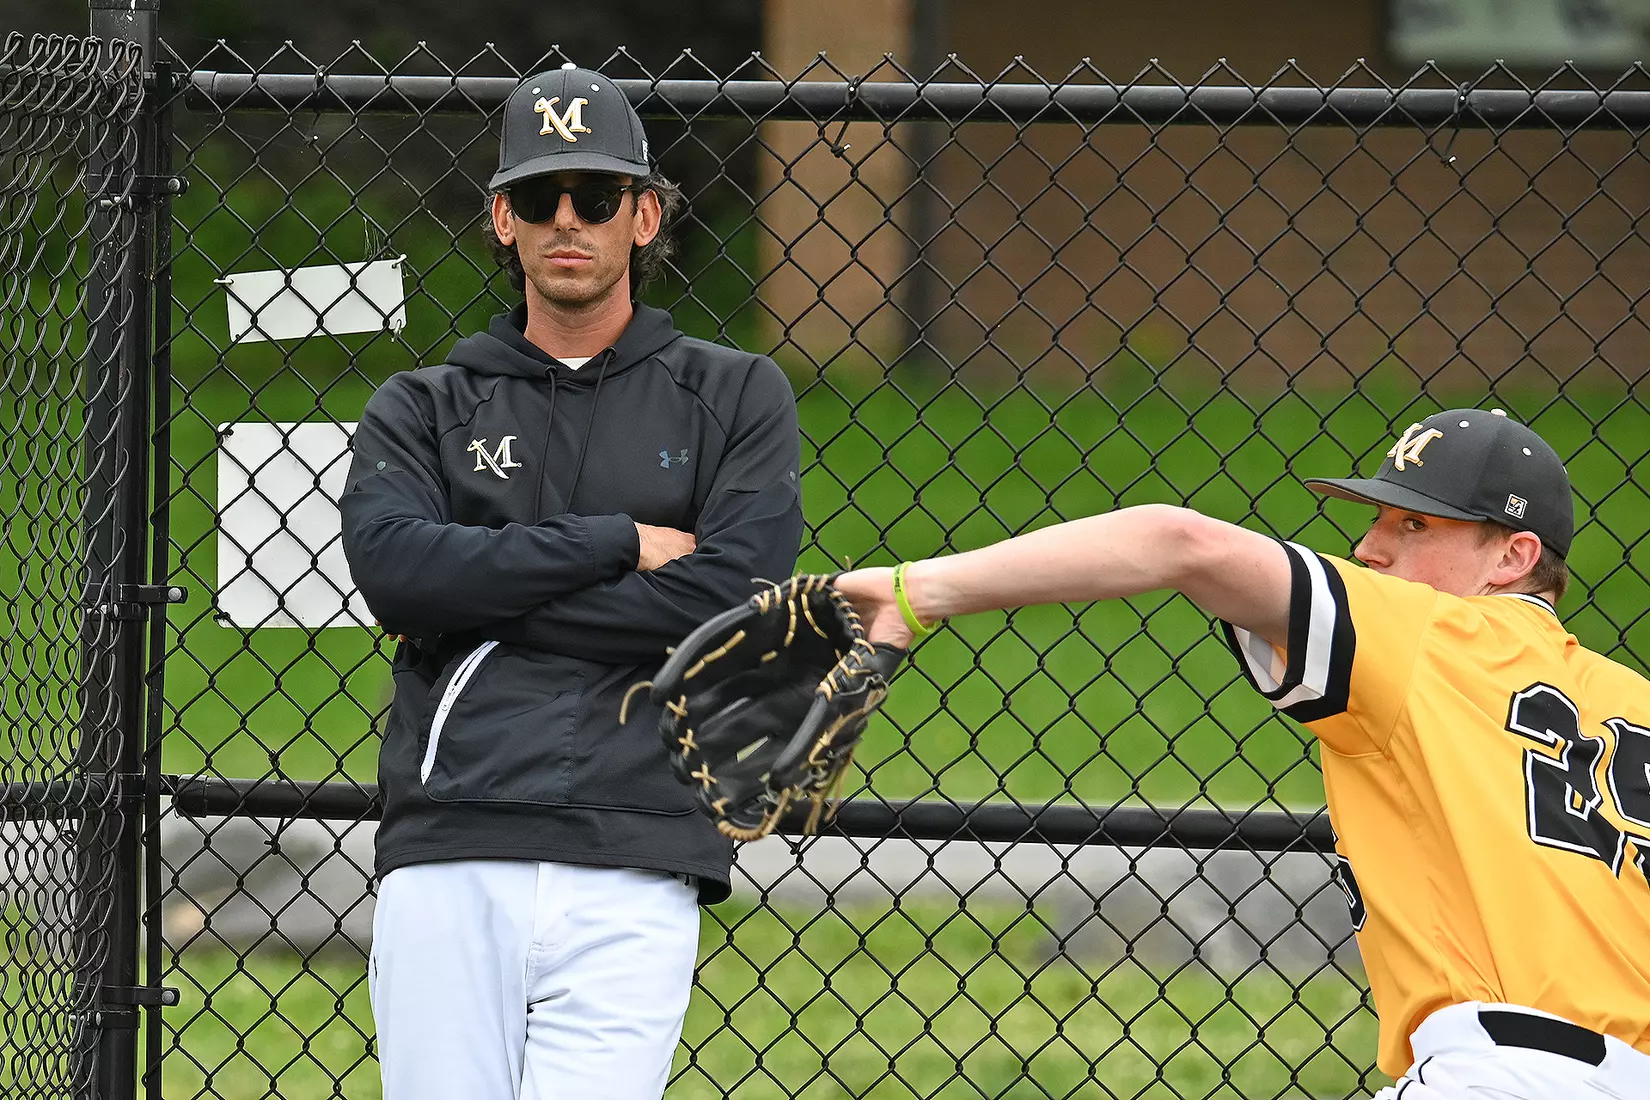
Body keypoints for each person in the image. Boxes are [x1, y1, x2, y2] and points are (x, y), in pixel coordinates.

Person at [831, 408, 1650, 1098]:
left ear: (1514, 556)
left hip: (1496, 1075)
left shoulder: (1432, 635)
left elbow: (1179, 542)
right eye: (1376, 520)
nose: (1370, 548)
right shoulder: (1636, 705)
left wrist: (913, 591)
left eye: (1414, 525)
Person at [340, 63, 804, 1100]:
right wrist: (613, 541)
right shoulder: (424, 403)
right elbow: (399, 575)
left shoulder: (734, 393)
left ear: (643, 216)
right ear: (502, 220)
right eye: (541, 199)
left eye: (595, 198)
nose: (568, 221)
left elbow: (731, 606)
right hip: (455, 834)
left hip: (637, 844)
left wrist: (484, 594)